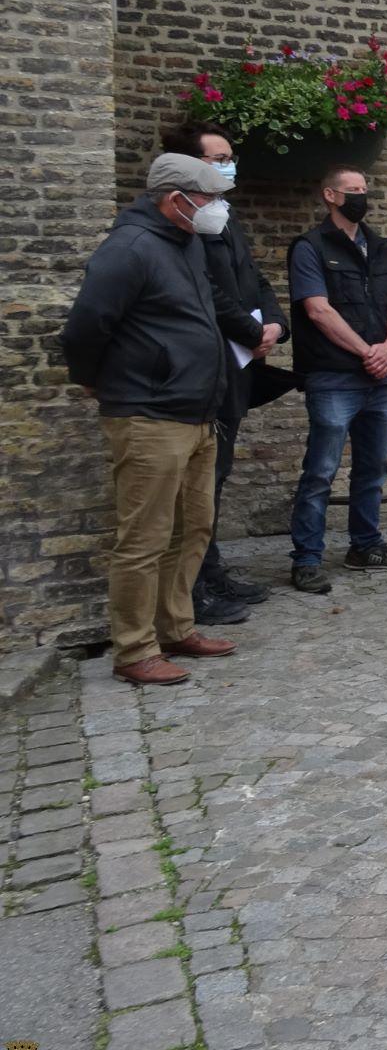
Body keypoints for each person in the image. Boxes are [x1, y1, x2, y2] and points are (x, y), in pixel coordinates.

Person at [61, 154, 239, 685]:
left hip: (197, 412)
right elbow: (86, 326)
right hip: (150, 413)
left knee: (192, 527)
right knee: (144, 537)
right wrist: (95, 380)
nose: (217, 209)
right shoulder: (131, 248)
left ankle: (175, 625)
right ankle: (134, 650)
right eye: (209, 199)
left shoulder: (185, 245)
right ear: (175, 198)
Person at [161, 122, 287, 624]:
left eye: (230, 157)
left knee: (218, 471)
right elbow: (210, 292)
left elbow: (253, 278)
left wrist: (275, 322)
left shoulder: (222, 217)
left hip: (237, 366)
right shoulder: (186, 225)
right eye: (218, 159)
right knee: (199, 482)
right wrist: (250, 332)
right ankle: (193, 589)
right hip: (211, 362)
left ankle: (211, 572)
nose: (228, 166)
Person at [287, 166, 387, 593]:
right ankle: (306, 558)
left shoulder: (378, 245)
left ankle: (365, 544)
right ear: (330, 195)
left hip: (379, 378)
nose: (361, 196)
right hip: (334, 376)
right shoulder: (310, 247)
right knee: (321, 471)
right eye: (351, 190)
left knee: (372, 467)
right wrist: (366, 351)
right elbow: (318, 310)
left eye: (364, 189)